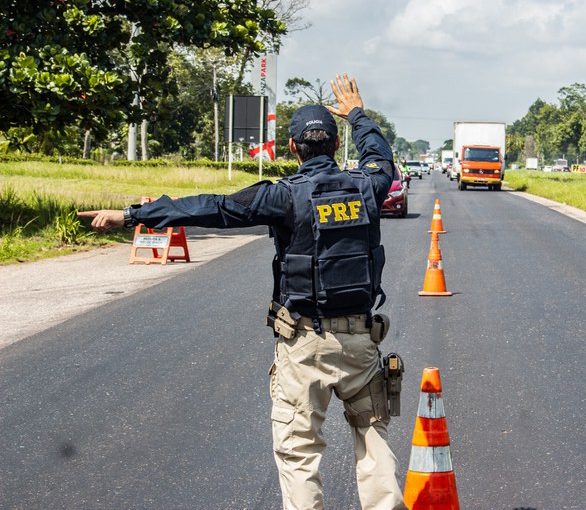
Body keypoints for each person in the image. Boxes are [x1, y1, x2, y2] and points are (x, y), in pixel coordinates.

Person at [78, 74, 407, 510]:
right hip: (361, 342)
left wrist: (132, 214)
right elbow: (380, 158)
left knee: (300, 453)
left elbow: (211, 206)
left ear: (293, 149)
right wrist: (358, 116)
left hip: (304, 344)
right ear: (333, 145)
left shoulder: (283, 197)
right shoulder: (367, 187)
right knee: (373, 440)